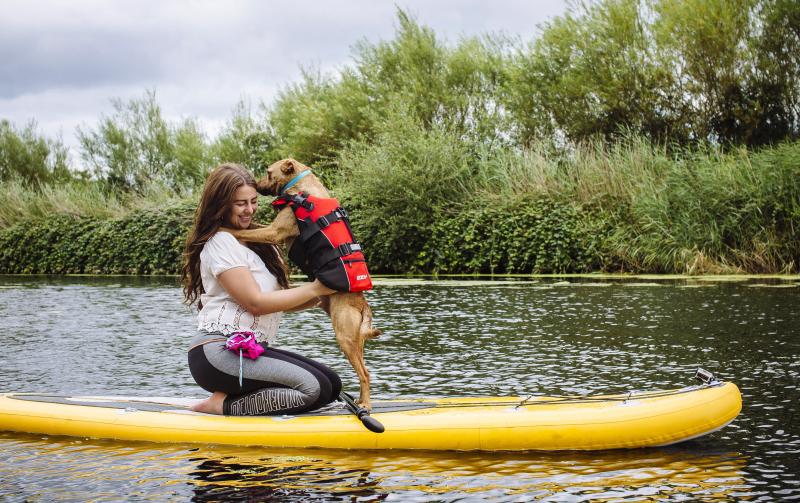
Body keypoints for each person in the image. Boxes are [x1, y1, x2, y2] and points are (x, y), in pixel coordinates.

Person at [181, 162, 341, 415]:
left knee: (332, 384)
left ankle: (233, 396)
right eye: (240, 203)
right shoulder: (221, 241)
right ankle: (222, 405)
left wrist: (327, 293)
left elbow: (277, 300)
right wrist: (316, 288)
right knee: (314, 389)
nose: (250, 210)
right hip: (218, 354)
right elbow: (254, 303)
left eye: (253, 201)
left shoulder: (259, 243)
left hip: (250, 351)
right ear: (221, 205)